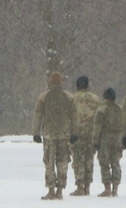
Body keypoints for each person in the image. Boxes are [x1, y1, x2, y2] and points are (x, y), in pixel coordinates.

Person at [32, 71, 77, 200]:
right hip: (64, 135)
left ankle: (51, 190)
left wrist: (36, 133)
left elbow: (38, 115)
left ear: (50, 82)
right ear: (62, 82)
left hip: (49, 135)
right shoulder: (69, 97)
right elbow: (74, 117)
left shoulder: (44, 97)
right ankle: (60, 190)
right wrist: (74, 133)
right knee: (63, 162)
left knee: (49, 162)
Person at [70, 75, 102, 196]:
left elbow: (70, 116)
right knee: (89, 160)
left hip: (77, 134)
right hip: (91, 134)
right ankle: (87, 186)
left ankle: (80, 186)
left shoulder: (73, 99)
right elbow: (100, 117)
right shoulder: (96, 99)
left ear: (77, 86)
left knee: (78, 160)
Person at [93, 87, 125, 197]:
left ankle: (107, 188)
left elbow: (97, 127)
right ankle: (115, 188)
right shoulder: (120, 109)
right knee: (116, 163)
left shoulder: (101, 110)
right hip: (117, 138)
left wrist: (95, 141)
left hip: (105, 139)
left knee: (105, 163)